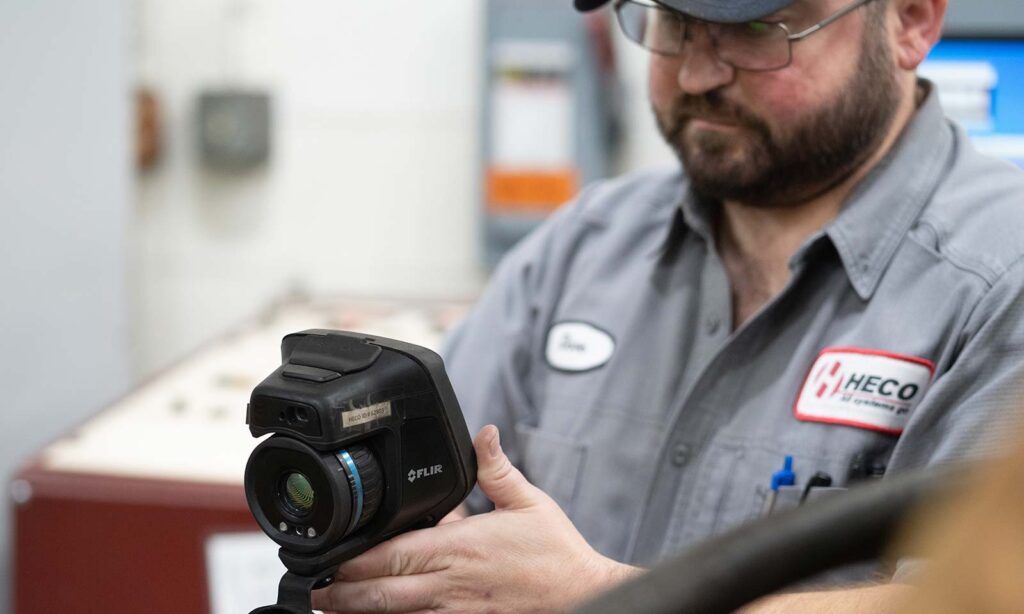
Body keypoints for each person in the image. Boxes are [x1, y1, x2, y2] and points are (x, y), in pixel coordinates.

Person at [313, 0, 1024, 611]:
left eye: (758, 30)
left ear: (911, 20)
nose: (696, 75)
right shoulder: (583, 249)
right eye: (672, 23)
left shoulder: (999, 287)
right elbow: (422, 508)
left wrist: (600, 599)